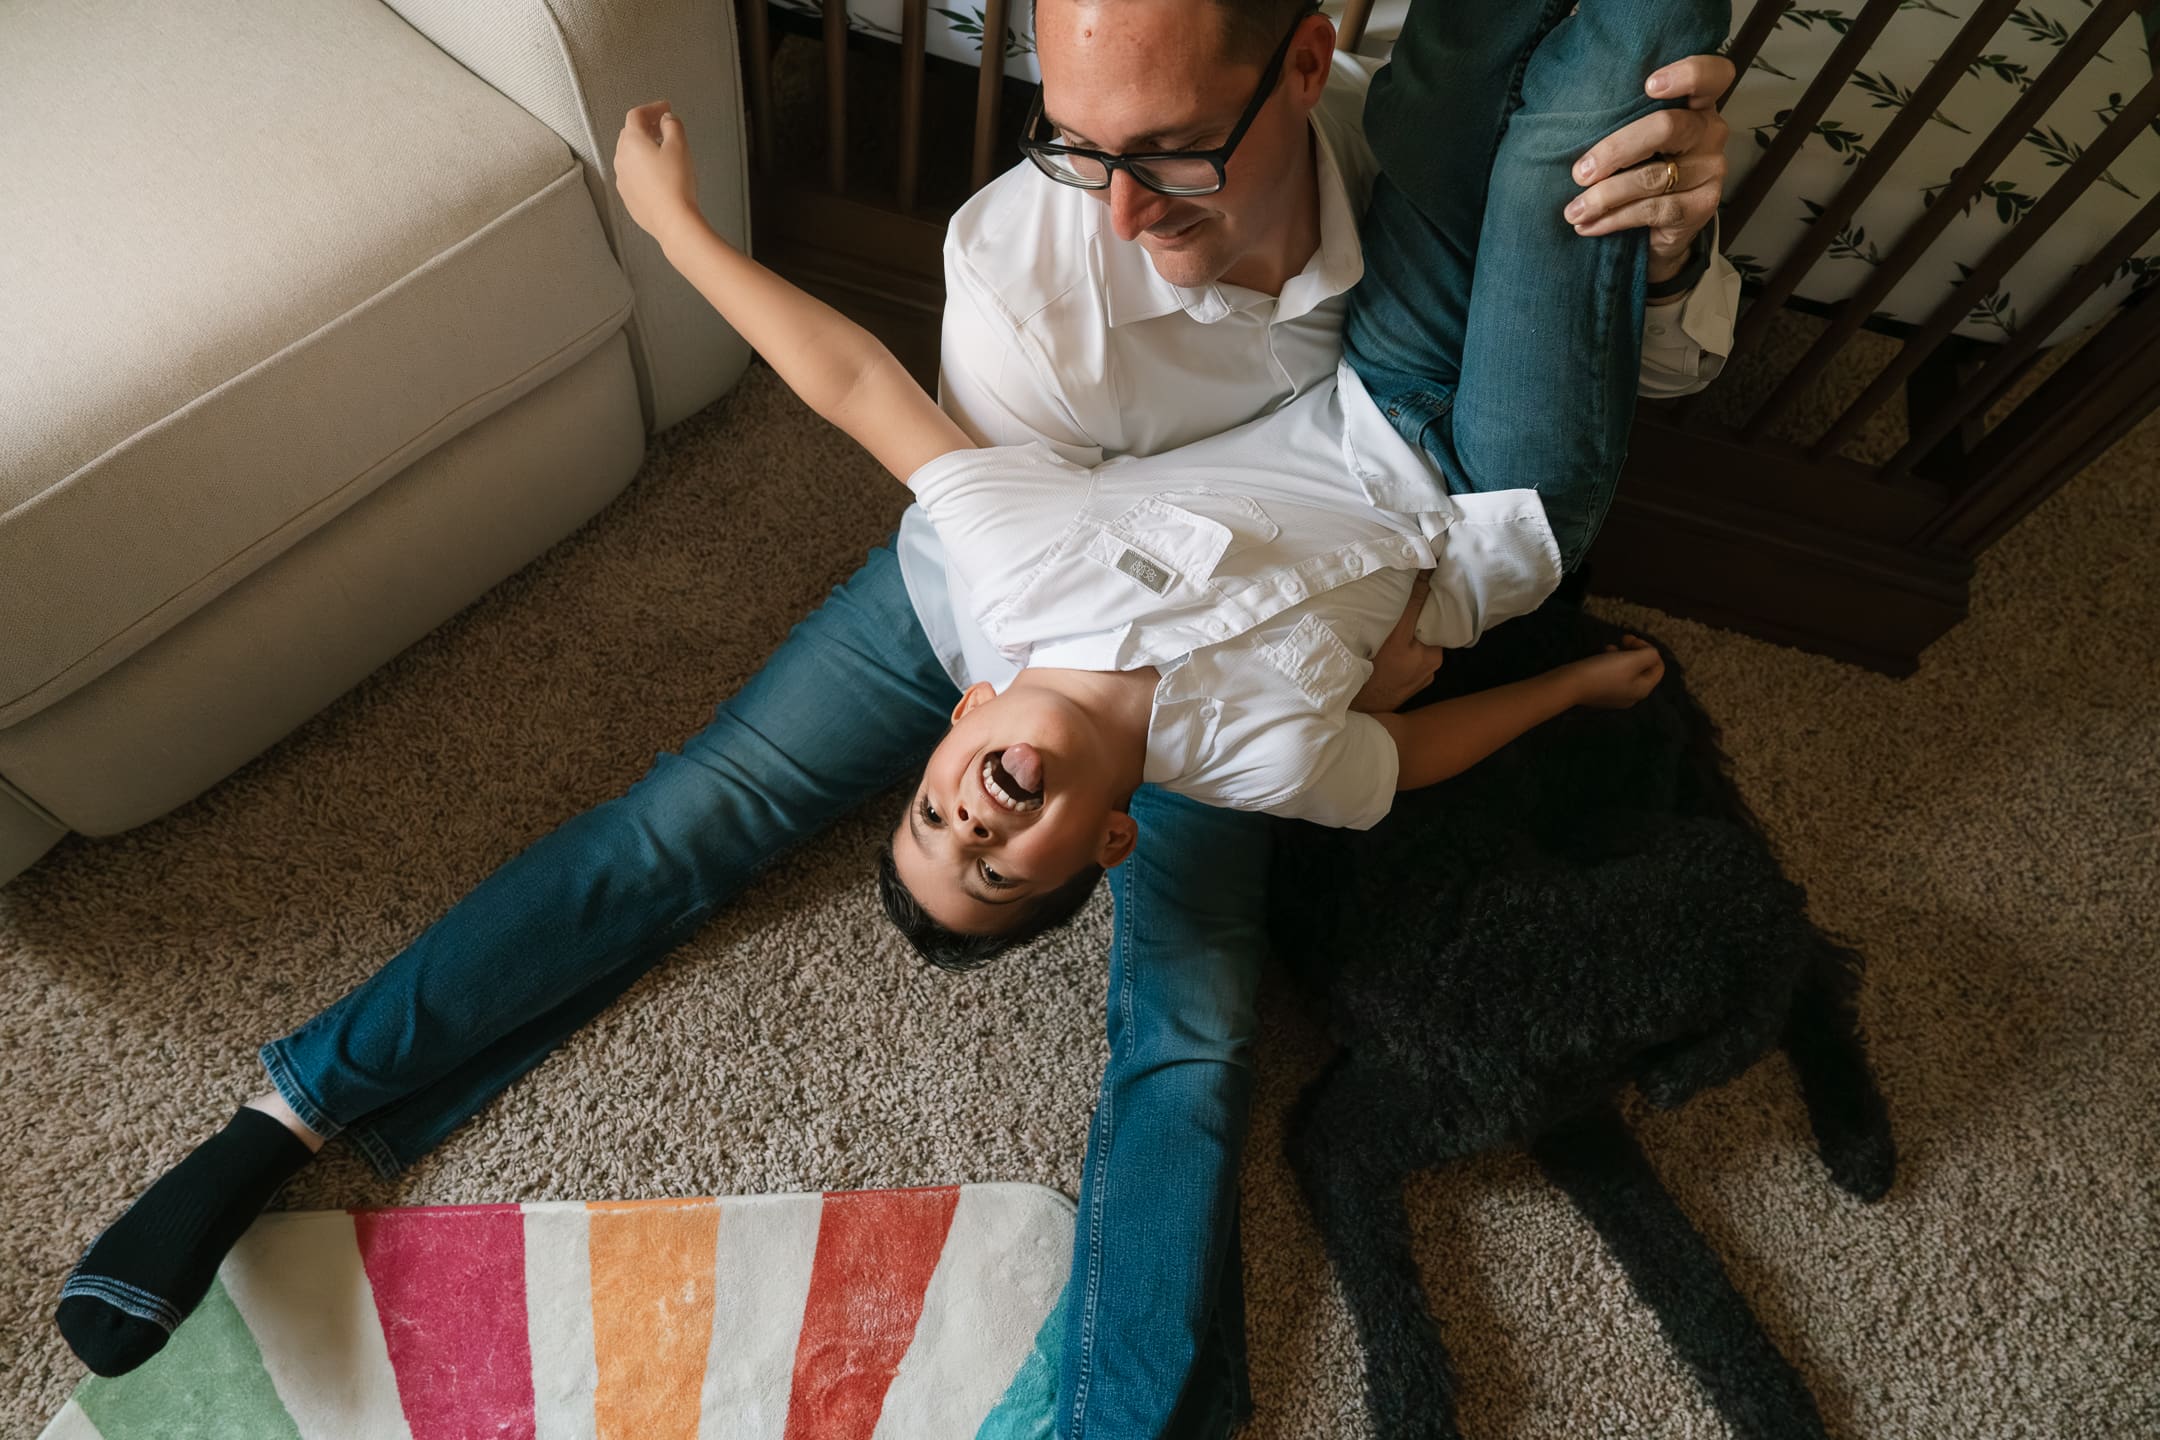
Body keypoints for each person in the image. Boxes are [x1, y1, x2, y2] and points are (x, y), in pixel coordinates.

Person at [55, 0, 1735, 1433]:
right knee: (690, 818)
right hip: (1018, 615)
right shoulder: (1024, 279)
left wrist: (1670, 252)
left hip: (1221, 652)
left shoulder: (1370, 133)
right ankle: (290, 1113)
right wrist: (681, 229)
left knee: (1191, 1026)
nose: (1118, 207)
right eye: (1080, 145)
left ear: (1299, 66)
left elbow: (1574, 364)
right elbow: (885, 411)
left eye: (1167, 154)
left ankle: (1122, 1411)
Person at [602, 136, 1668, 941]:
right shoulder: (1265, 766)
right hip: (1504, 507)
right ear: (1113, 842)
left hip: (1380, 386)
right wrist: (1568, 689)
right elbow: (1408, 760)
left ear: (969, 707)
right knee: (1561, 156)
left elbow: (856, 385)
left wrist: (675, 229)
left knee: (1455, 90)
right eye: (996, 874)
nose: (970, 831)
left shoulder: (1022, 577)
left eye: (931, 815)